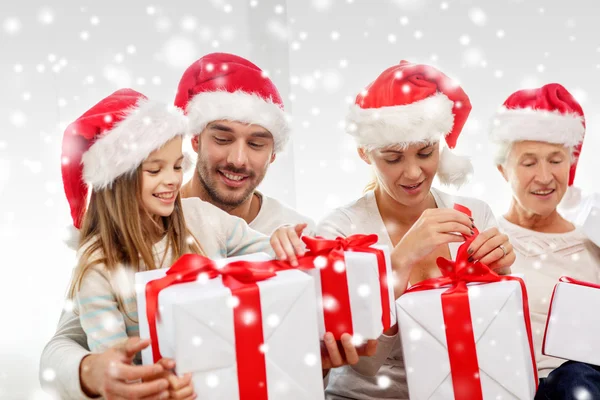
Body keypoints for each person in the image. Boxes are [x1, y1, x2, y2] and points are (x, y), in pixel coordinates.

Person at [315, 60, 515, 399]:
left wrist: (504, 276)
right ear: (364, 152)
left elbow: (497, 341)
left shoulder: (474, 213)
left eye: (425, 152)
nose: (412, 173)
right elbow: (360, 364)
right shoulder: (340, 231)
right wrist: (400, 262)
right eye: (393, 158)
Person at [490, 83, 600, 400]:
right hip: (504, 388)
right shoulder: (486, 242)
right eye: (528, 162)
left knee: (574, 378)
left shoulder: (592, 246)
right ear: (502, 169)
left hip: (580, 387)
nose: (544, 177)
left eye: (555, 159)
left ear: (571, 163)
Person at [174, 52, 315, 235]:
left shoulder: (299, 234)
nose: (238, 160)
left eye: (256, 144)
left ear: (273, 154)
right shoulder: (148, 225)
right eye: (222, 140)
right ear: (195, 139)